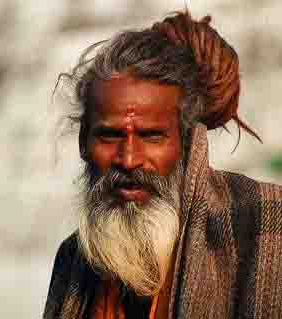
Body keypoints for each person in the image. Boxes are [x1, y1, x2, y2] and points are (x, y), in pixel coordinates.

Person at [44, 9, 282, 319]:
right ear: (83, 145)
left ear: (185, 144)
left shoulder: (265, 221)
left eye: (152, 136)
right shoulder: (73, 260)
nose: (128, 160)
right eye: (109, 135)